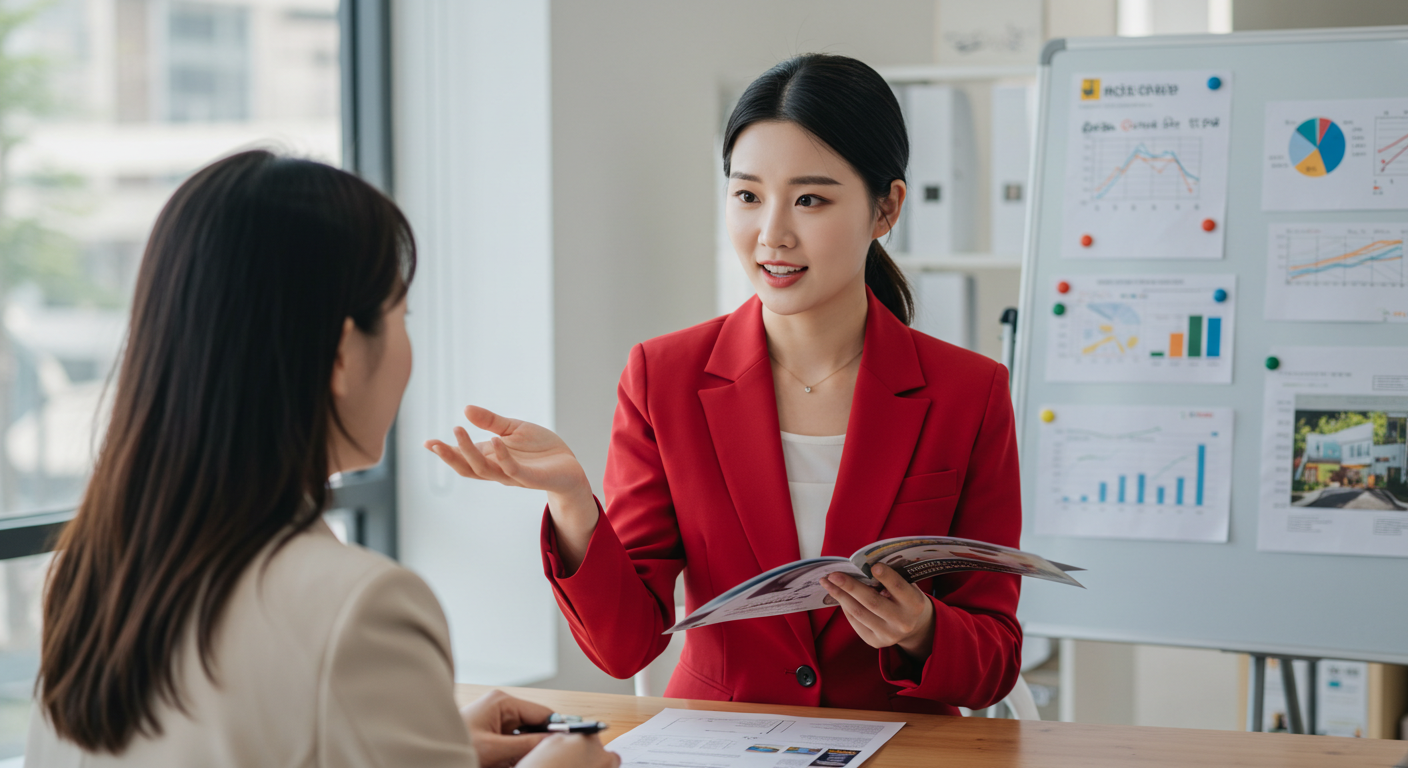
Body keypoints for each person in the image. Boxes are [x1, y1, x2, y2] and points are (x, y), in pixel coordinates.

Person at [427, 54, 1022, 715]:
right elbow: (625, 648)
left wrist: (922, 632)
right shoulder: (665, 377)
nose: (772, 234)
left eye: (810, 199)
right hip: (718, 741)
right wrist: (571, 503)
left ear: (886, 208)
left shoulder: (970, 393)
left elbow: (993, 659)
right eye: (747, 196)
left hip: (902, 746)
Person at [26, 150, 617, 768]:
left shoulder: (84, 574)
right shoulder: (363, 606)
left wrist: (430, 743)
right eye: (401, 316)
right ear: (341, 354)